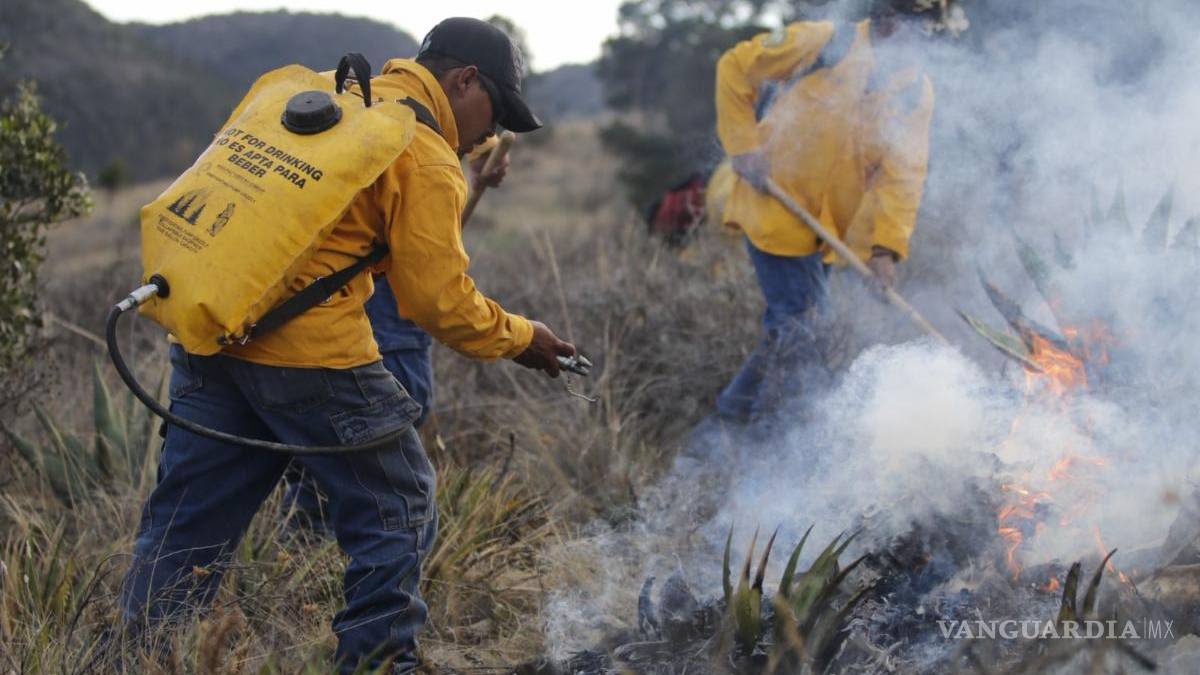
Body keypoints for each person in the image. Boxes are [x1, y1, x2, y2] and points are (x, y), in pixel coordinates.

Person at [119, 17, 574, 674]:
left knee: (187, 523)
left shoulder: (337, 98)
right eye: (496, 110)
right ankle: (379, 663)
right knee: (400, 500)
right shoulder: (424, 153)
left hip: (212, 331)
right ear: (465, 80)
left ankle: (129, 657)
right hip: (313, 360)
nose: (490, 132)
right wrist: (523, 337)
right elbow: (438, 303)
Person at [712, 0, 936, 423]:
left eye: (924, 26)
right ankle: (767, 436)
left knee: (791, 329)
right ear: (886, 19)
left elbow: (904, 175)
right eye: (906, 21)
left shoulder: (914, 94)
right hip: (776, 206)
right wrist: (743, 148)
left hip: (827, 230)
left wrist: (886, 250)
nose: (916, 36)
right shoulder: (824, 42)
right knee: (804, 327)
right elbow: (734, 67)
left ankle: (724, 428)